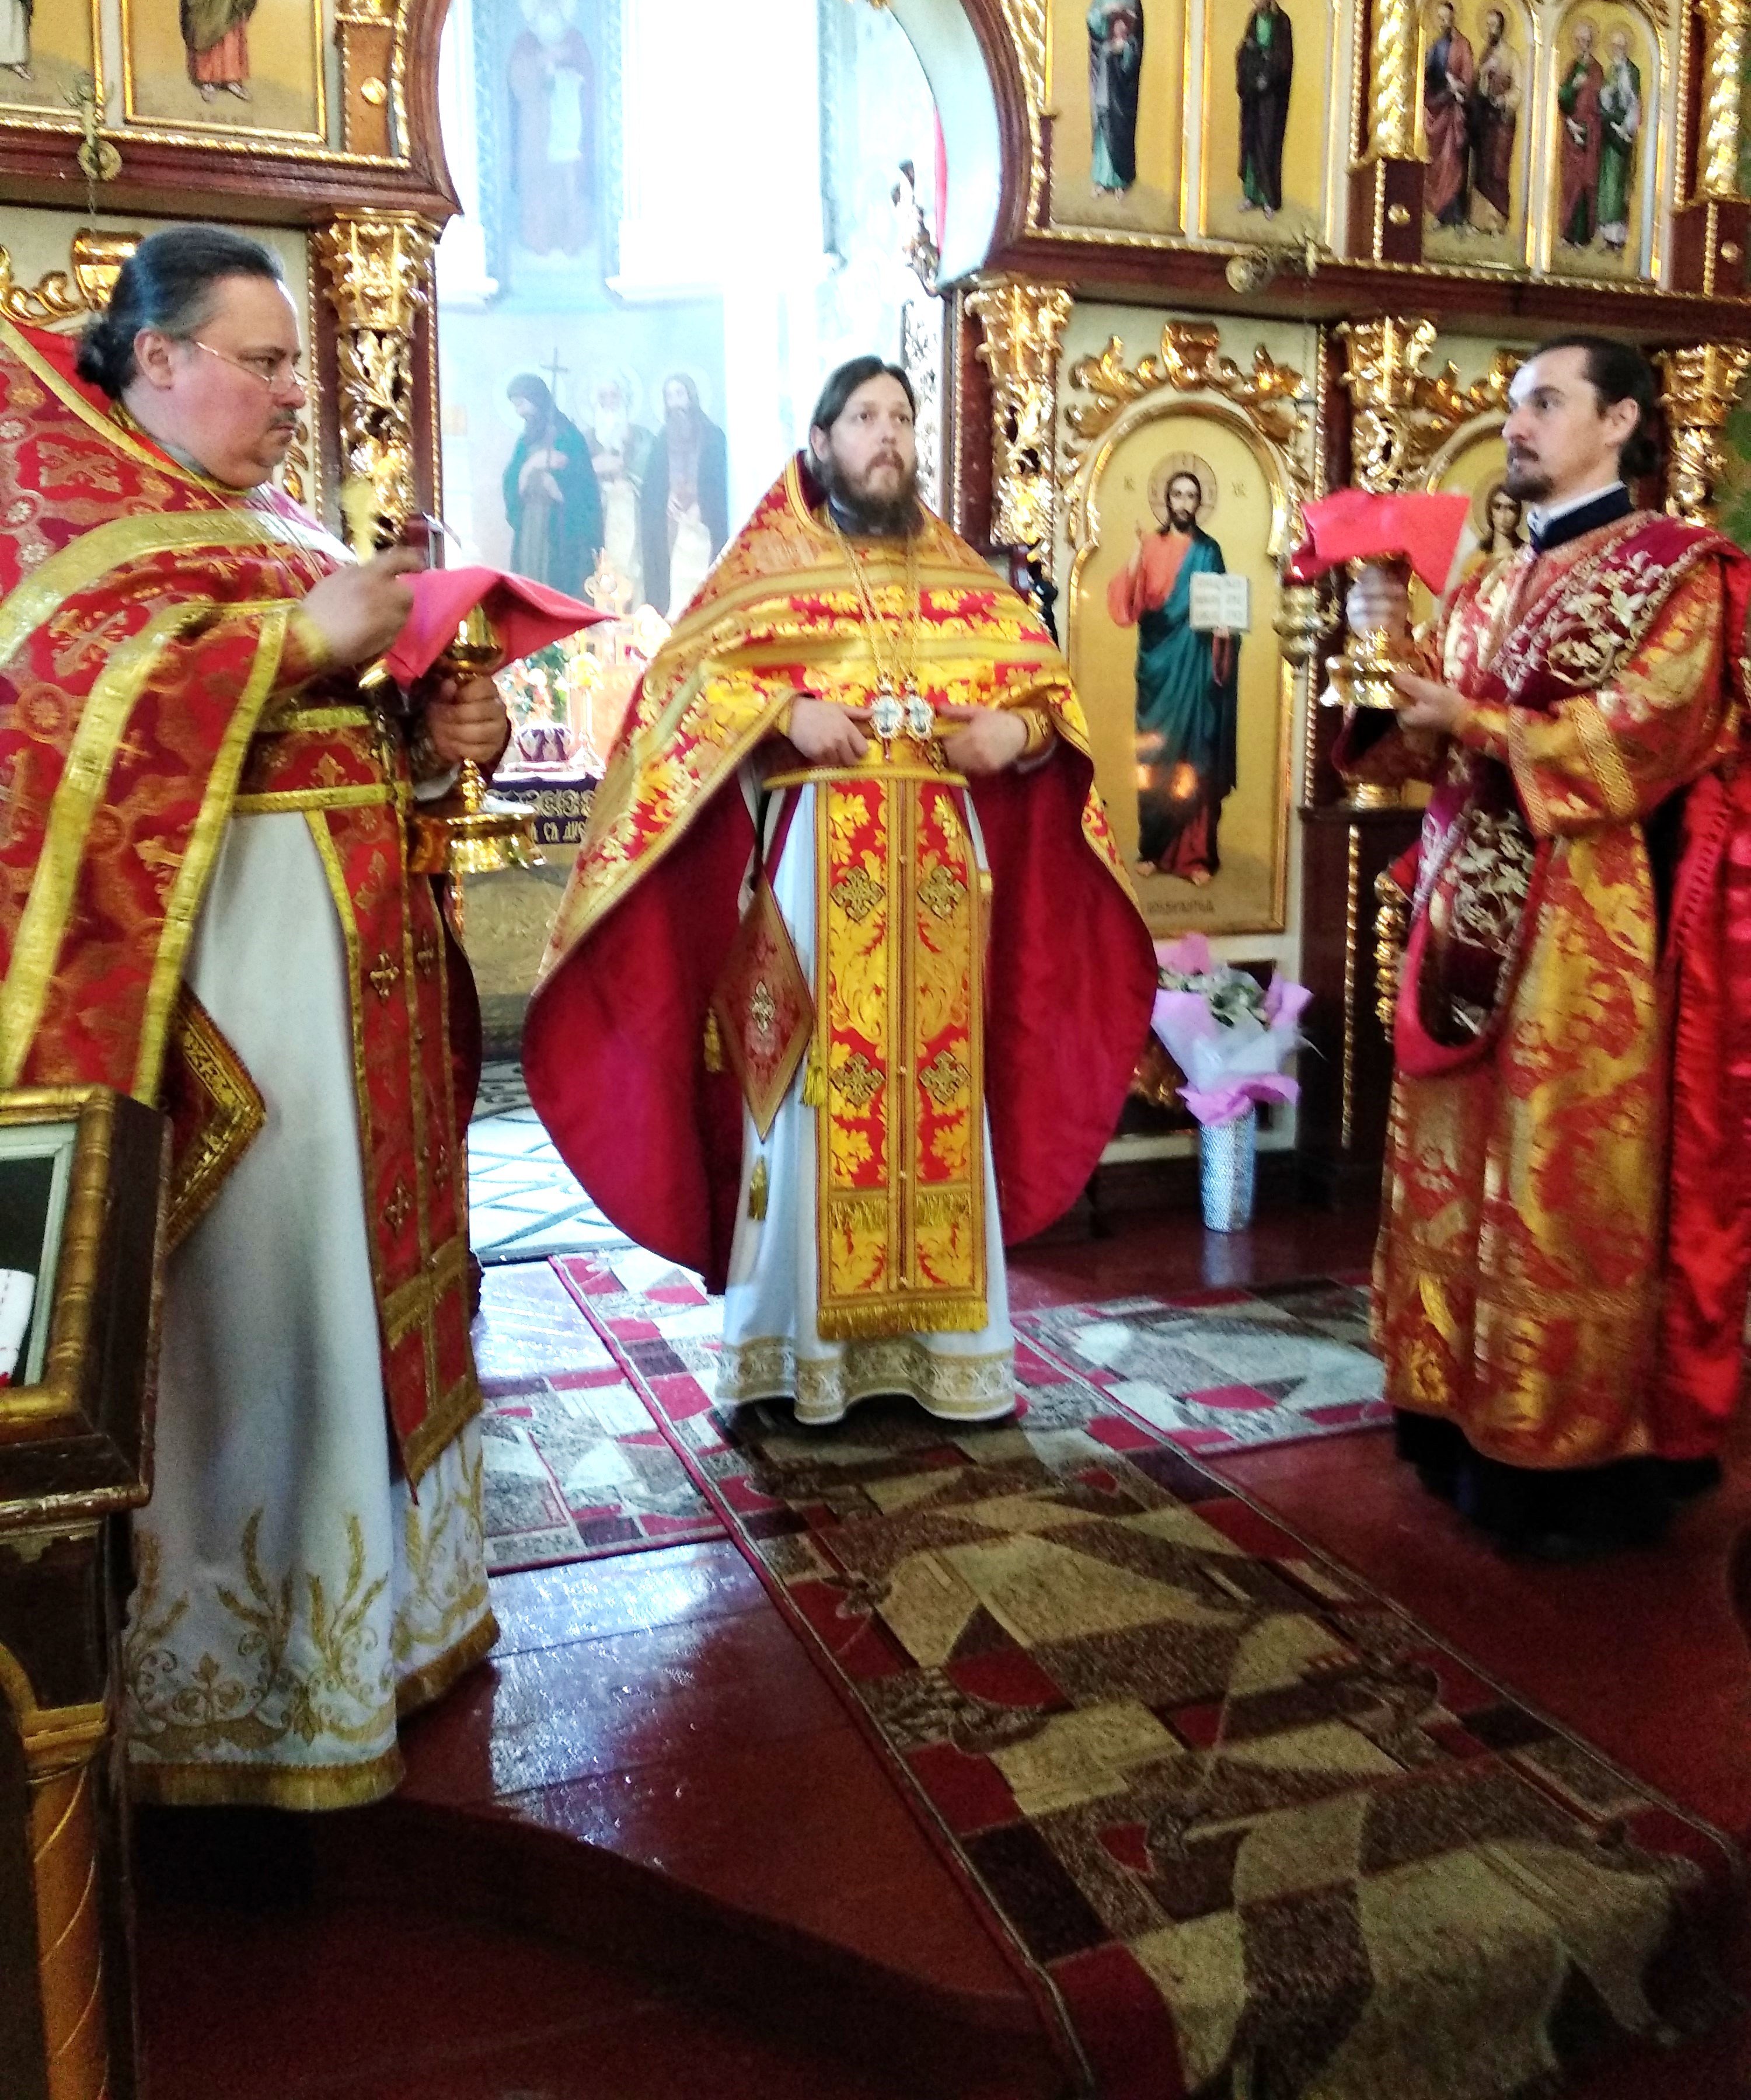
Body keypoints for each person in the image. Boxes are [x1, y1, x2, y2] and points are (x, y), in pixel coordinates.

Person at [0, 225, 505, 1803]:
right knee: (258, 1310)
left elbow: (351, 750)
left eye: (297, 365)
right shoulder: (73, 531)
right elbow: (53, 723)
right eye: (264, 361)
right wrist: (299, 641)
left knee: (352, 1292)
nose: (296, 393)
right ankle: (240, 1686)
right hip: (224, 1024)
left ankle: (374, 1633)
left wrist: (436, 732)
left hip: (359, 1010)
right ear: (158, 356)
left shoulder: (280, 524)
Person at [525, 357, 1156, 1425]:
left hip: (943, 885)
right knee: (806, 1096)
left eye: (902, 416)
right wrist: (782, 714)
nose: (888, 435)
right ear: (821, 443)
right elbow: (679, 687)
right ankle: (796, 1362)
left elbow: (1049, 699)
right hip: (815, 874)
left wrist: (1020, 732)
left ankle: (947, 1358)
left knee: (943, 1094)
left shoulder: (964, 580)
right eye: (864, 417)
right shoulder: (766, 569)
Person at [1344, 336, 1751, 1556]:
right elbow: (1422, 741)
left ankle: (1567, 1451)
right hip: (1462, 910)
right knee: (1457, 1162)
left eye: (1544, 404)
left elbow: (1644, 736)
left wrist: (1470, 719)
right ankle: (1454, 1411)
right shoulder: (1486, 583)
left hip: (1586, 934)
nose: (1515, 425)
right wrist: (1379, 667)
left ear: (1620, 420)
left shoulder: (1678, 574)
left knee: (1557, 1180)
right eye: (1513, 406)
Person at [1105, 468, 1239, 886]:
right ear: (1167, 500)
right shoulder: (1150, 545)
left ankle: (1196, 857)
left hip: (1196, 666)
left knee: (1195, 755)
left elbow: (1224, 607)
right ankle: (1152, 849)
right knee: (1154, 756)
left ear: (1199, 504)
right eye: (1177, 495)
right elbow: (1126, 605)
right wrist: (1135, 553)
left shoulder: (1209, 551)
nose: (1183, 502)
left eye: (1191, 496)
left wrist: (1225, 632)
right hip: (1158, 669)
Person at [508, 0, 593, 259]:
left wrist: (564, 70)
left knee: (570, 181)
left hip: (569, 128)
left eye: (553, 4)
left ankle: (572, 241)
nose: (548, 11)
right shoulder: (526, 43)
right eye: (542, 5)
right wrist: (541, 62)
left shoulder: (574, 40)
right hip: (536, 128)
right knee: (537, 183)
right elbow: (518, 79)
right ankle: (539, 240)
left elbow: (587, 75)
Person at [503, 372, 603, 595]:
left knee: (556, 582)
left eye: (521, 404)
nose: (519, 412)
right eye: (515, 406)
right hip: (531, 523)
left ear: (536, 399)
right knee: (529, 575)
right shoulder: (526, 440)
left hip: (559, 527)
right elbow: (511, 480)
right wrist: (530, 467)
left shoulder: (569, 437)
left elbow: (584, 487)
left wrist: (557, 488)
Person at [638, 372, 728, 618]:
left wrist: (702, 506)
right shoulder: (661, 441)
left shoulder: (713, 438)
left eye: (680, 394)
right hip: (671, 523)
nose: (675, 403)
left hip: (702, 524)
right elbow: (652, 489)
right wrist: (664, 500)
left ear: (692, 397)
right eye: (669, 397)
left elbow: (719, 485)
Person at [584, 375, 652, 607]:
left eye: (614, 396)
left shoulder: (642, 437)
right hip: (598, 515)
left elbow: (651, 475)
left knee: (632, 569)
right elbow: (577, 479)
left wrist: (625, 473)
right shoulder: (586, 439)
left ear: (625, 399)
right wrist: (595, 468)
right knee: (600, 570)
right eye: (602, 397)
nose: (609, 402)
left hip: (631, 512)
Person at [1087, 0, 1143, 197]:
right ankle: (1101, 178)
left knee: (1120, 121)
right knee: (1102, 118)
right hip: (1103, 67)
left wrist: (1126, 46)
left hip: (1121, 74)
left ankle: (1121, 179)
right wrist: (1103, 13)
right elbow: (1093, 23)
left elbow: (1136, 35)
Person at [1236, 0, 1293, 220]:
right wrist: (1250, 68)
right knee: (1250, 141)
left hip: (1272, 96)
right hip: (1252, 93)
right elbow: (1246, 50)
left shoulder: (1282, 21)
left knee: (1268, 144)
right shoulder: (1253, 18)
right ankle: (1251, 195)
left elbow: (1283, 58)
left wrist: (1266, 76)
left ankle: (1269, 199)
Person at [1422, 0, 1475, 232]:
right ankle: (1439, 214)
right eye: (1440, 19)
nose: (1444, 22)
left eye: (1447, 18)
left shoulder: (1463, 46)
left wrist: (1458, 86)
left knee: (1452, 162)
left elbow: (1468, 79)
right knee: (1437, 162)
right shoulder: (1435, 46)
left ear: (1454, 19)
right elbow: (1427, 76)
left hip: (1454, 113)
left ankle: (1455, 215)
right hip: (1438, 108)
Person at [1467, 8, 1520, 235]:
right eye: (1488, 26)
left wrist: (1503, 100)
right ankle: (1479, 221)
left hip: (1502, 121)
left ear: (1502, 28)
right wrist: (1482, 73)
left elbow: (1518, 89)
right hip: (1485, 120)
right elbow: (1477, 88)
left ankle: (1497, 222)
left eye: (1495, 26)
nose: (1491, 30)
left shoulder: (1511, 56)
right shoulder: (1485, 55)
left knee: (1498, 169)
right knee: (1481, 169)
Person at [1556, 22, 1604, 248]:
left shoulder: (1596, 71)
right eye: (1579, 41)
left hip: (1590, 134)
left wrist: (1586, 127)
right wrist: (1573, 87)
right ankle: (1567, 233)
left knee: (1586, 181)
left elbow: (1600, 104)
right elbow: (1563, 99)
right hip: (1571, 133)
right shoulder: (1572, 68)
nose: (1582, 45)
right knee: (1570, 182)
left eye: (1586, 41)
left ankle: (1582, 236)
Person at [1596, 26, 1642, 255]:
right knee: (1607, 185)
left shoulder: (1631, 71)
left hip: (1622, 135)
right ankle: (1607, 236)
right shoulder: (1612, 70)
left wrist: (1625, 128)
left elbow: (1634, 104)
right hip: (1609, 133)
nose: (1616, 50)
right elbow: (1605, 98)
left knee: (1618, 185)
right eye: (1613, 46)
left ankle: (1619, 237)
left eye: (1620, 46)